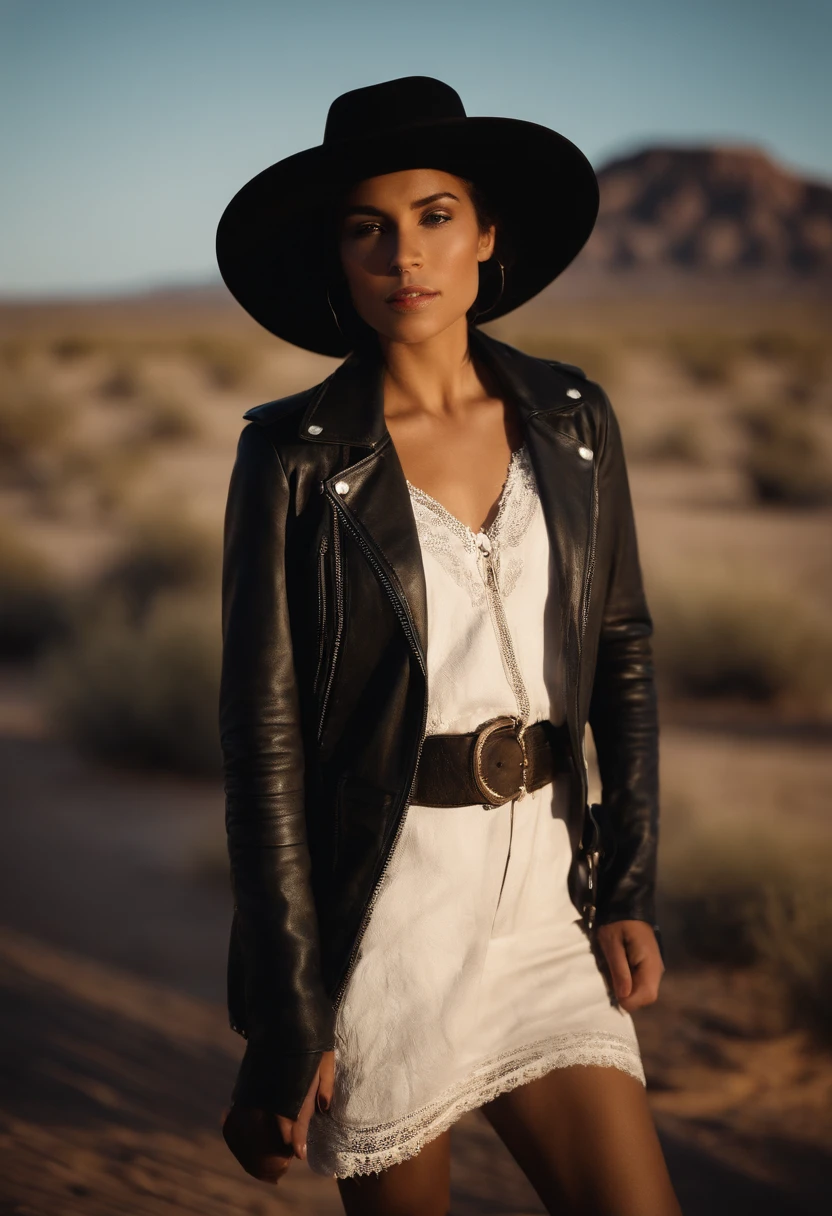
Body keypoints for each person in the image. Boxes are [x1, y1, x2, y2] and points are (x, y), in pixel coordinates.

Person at [215, 76, 682, 1216]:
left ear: (484, 234)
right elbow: (262, 740)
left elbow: (620, 645)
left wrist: (624, 881)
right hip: (389, 921)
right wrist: (292, 1004)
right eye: (366, 227)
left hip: (542, 907)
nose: (403, 255)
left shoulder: (572, 422)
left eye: (432, 216)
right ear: (339, 256)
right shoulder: (291, 457)